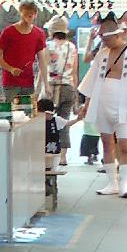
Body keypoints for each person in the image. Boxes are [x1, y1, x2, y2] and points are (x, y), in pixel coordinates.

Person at [77, 13, 127, 198]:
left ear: (117, 35)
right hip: (103, 102)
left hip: (124, 104)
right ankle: (112, 182)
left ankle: (124, 184)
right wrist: (86, 104)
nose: (105, 41)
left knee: (124, 144)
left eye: (107, 38)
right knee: (106, 142)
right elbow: (92, 80)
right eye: (103, 38)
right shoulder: (102, 54)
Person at [40, 16, 80, 173]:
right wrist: (75, 92)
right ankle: (63, 156)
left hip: (50, 87)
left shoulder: (47, 46)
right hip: (68, 87)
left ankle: (47, 152)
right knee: (64, 120)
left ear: (51, 30)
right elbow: (75, 72)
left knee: (47, 121)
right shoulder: (72, 47)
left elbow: (43, 69)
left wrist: (40, 89)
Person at [0, 0, 47, 98]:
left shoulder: (39, 34)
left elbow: (42, 61)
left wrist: (46, 84)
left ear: (35, 15)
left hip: (28, 81)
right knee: (10, 110)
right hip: (10, 82)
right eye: (25, 15)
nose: (27, 18)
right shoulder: (8, 32)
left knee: (27, 111)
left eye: (30, 16)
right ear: (20, 13)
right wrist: (10, 69)